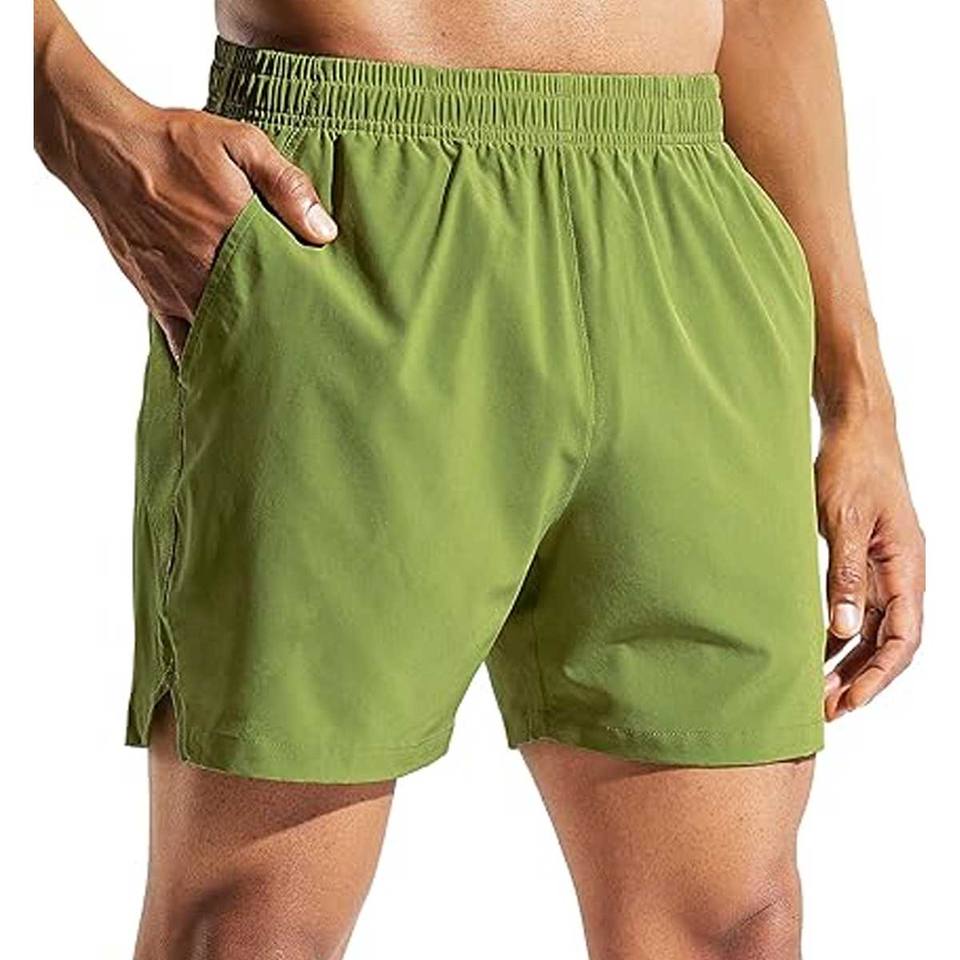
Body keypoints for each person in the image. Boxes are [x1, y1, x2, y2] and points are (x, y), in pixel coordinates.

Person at [33, 1, 925, 957]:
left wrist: (859, 399)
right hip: (346, 208)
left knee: (732, 922)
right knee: (255, 923)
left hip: (689, 223)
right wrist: (78, 117)